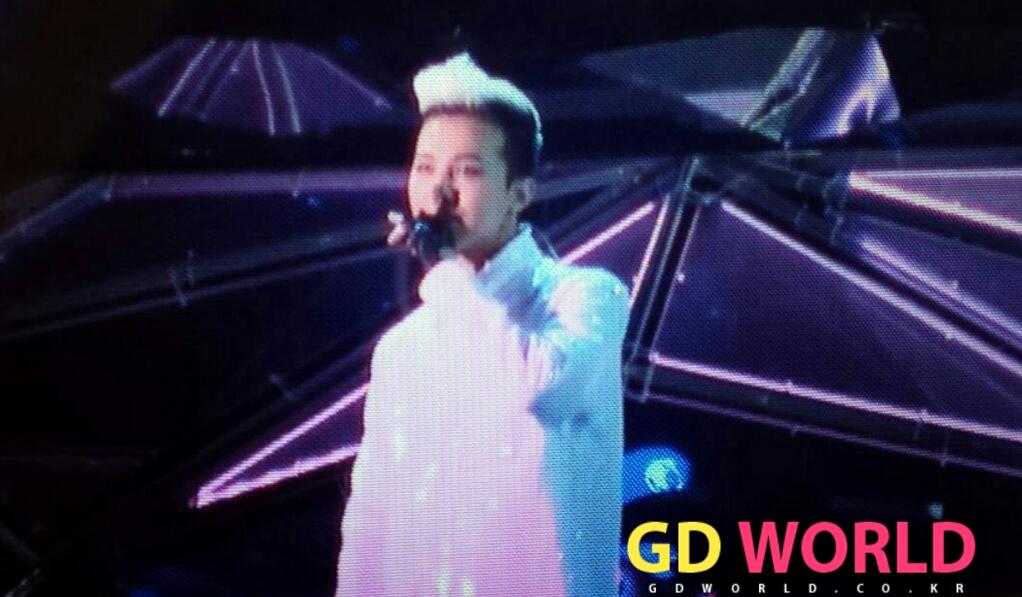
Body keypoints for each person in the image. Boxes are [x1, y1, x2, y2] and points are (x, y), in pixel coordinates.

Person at [335, 52, 630, 597]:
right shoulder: (404, 347)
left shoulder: (585, 296)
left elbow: (536, 390)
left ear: (521, 192)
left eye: (466, 171)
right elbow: (372, 520)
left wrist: (449, 272)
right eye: (425, 168)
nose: (438, 191)